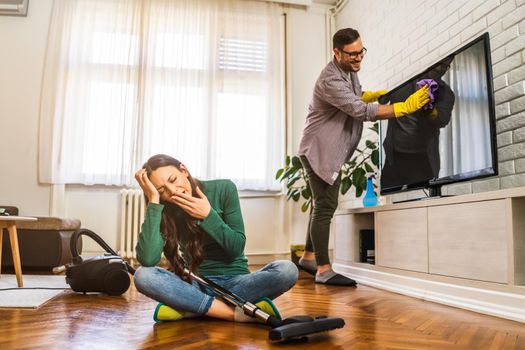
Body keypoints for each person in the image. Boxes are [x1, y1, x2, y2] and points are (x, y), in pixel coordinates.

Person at [296, 28, 431, 286]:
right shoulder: (330, 80)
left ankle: (309, 257)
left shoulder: (347, 71)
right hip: (319, 150)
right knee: (325, 206)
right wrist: (405, 107)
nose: (358, 59)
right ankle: (323, 270)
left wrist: (369, 95)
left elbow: (356, 98)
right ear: (336, 52)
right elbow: (359, 110)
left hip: (322, 147)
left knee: (319, 204)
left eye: (361, 52)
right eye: (352, 54)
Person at [133, 154, 298, 322]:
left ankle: (192, 307)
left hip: (238, 283)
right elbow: (148, 259)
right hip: (196, 283)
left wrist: (208, 215)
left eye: (173, 179)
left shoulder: (224, 188)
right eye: (161, 190)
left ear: (183, 170)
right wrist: (154, 202)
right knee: (142, 275)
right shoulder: (165, 207)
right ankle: (232, 313)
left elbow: (236, 247)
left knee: (287, 270)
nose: (173, 191)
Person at [381, 56, 456, 188]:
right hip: (394, 156)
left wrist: (429, 108)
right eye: (439, 64)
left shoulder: (446, 93)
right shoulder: (403, 81)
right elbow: (382, 100)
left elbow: (441, 120)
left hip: (422, 158)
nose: (441, 69)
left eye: (445, 66)